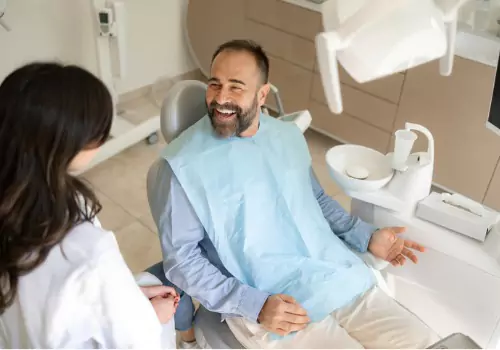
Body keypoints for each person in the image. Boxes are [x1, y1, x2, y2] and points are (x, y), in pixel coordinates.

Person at [150, 40, 440, 349]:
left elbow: (314, 199)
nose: (221, 98)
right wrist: (255, 305)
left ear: (262, 95)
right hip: (271, 303)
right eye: (215, 84)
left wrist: (366, 237)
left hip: (332, 274)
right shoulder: (183, 166)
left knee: (426, 343)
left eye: (236, 87)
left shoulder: (286, 136)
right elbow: (182, 260)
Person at [0, 62, 179, 348]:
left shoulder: (13, 204)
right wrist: (151, 314)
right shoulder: (88, 252)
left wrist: (126, 295)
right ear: (65, 144)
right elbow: (137, 340)